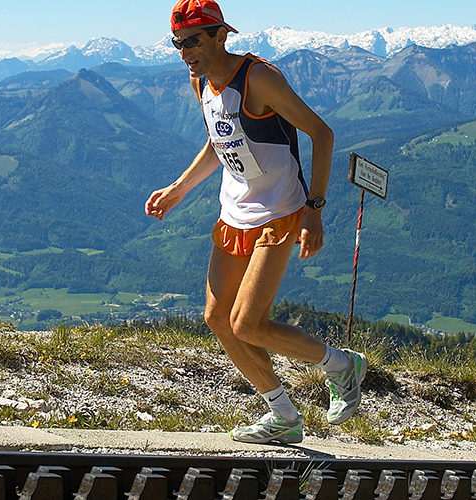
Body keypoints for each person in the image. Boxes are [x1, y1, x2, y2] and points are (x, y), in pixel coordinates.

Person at [145, 0, 367, 445]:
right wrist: (179, 188)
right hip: (235, 211)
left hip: (280, 210)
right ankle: (282, 416)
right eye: (177, 43)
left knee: (248, 323)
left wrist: (314, 208)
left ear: (221, 35)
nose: (185, 51)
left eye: (193, 41)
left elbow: (322, 134)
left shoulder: (258, 78)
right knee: (216, 317)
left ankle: (342, 366)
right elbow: (219, 138)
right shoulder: (200, 82)